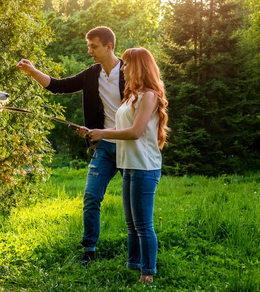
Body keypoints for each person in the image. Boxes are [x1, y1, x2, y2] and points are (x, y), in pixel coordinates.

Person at [16, 26, 125, 265]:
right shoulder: (92, 73)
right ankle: (89, 250)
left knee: (133, 205)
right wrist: (32, 71)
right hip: (104, 146)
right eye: (88, 46)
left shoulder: (130, 72)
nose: (89, 51)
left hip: (131, 147)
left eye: (94, 46)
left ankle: (138, 255)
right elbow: (58, 86)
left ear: (109, 46)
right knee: (91, 197)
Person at [85, 47, 169, 284]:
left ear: (139, 66)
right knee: (131, 223)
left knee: (143, 224)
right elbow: (119, 127)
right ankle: (134, 266)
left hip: (145, 165)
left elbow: (135, 132)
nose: (123, 68)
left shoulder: (149, 96)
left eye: (127, 64)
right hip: (129, 164)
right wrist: (98, 132)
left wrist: (103, 132)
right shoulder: (132, 95)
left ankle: (148, 273)